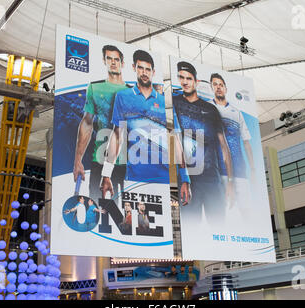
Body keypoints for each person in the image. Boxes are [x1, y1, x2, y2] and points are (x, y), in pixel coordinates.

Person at [99, 49, 191, 205]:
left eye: (148, 69)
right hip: (135, 179)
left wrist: (185, 177)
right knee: (136, 225)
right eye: (141, 68)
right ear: (134, 67)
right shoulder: (123, 97)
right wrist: (106, 174)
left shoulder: (165, 104)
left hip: (165, 180)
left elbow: (176, 141)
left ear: (153, 72)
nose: (144, 72)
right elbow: (116, 136)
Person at [172, 61, 235, 226]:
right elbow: (175, 140)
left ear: (196, 81)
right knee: (191, 231)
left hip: (212, 179)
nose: (185, 82)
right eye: (181, 78)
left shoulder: (211, 109)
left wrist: (230, 181)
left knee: (219, 227)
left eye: (189, 78)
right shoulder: (174, 103)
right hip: (188, 181)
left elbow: (224, 147)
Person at [72, 45, 129, 203]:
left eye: (116, 59)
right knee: (96, 210)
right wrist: (78, 160)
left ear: (122, 63)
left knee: (123, 216)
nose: (113, 62)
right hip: (99, 159)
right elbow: (87, 124)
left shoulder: (131, 92)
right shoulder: (95, 87)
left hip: (126, 163)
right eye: (109, 58)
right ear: (104, 61)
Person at [209, 73, 255, 214]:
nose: (218, 87)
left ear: (226, 89)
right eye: (215, 84)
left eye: (221, 84)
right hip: (219, 172)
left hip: (240, 171)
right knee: (227, 214)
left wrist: (252, 169)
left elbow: (246, 142)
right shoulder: (208, 108)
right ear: (211, 88)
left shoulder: (237, 112)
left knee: (247, 212)